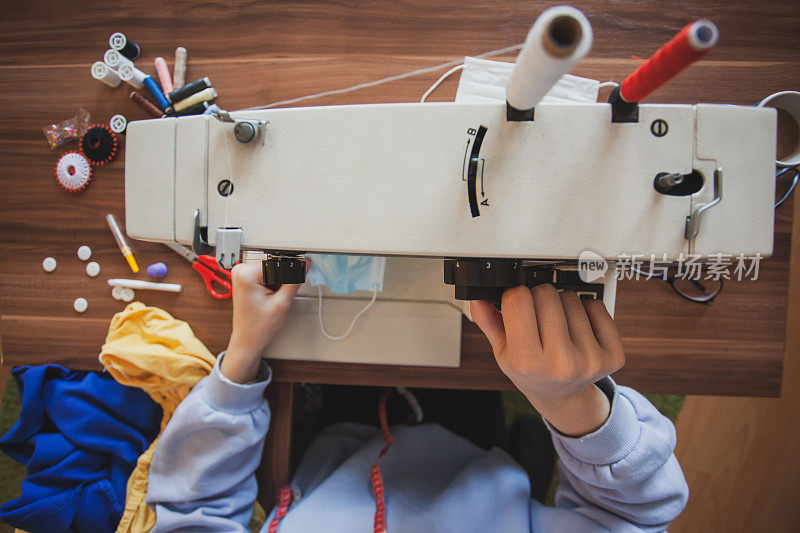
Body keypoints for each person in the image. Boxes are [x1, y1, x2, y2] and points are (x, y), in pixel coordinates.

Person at [147, 262, 688, 532]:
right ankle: (532, 447)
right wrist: (572, 406)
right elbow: (633, 519)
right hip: (472, 455)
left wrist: (242, 356)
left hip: (335, 449)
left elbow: (191, 508)